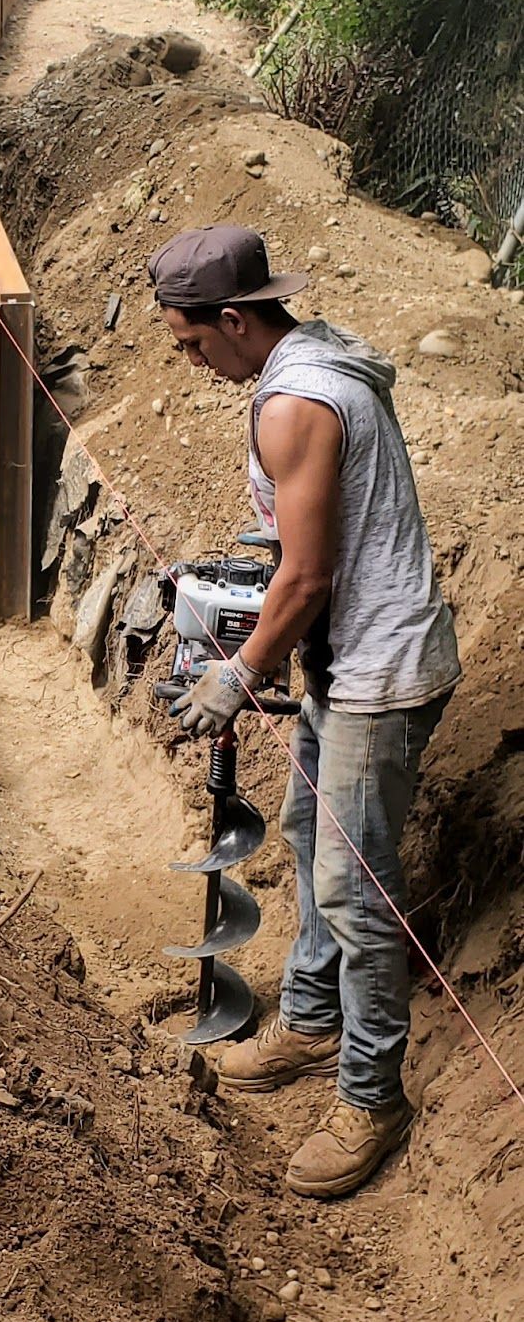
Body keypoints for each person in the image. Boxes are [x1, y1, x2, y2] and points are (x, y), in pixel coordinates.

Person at [148, 223, 460, 1200]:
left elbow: (310, 575)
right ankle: (315, 1022)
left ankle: (373, 1097)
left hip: (380, 669)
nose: (189, 362)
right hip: (345, 657)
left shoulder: (296, 404)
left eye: (192, 343)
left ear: (236, 321)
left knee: (358, 897)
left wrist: (238, 671)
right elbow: (302, 541)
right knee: (301, 829)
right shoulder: (315, 355)